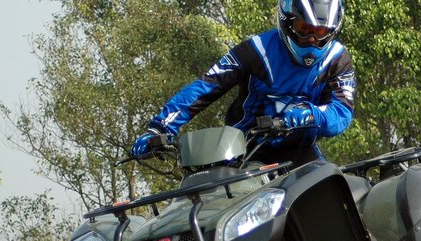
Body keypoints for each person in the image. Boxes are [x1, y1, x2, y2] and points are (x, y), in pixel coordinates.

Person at [131, 0, 356, 167]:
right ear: (287, 21)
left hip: (300, 152)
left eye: (321, 32)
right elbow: (205, 86)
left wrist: (312, 114)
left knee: (334, 196)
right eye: (304, 29)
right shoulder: (255, 51)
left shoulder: (338, 58)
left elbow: (342, 112)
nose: (312, 40)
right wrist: (159, 127)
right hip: (243, 152)